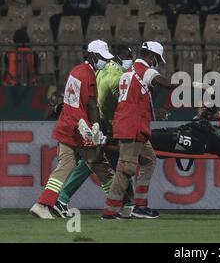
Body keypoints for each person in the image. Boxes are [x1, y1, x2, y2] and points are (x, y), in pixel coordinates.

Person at [30, 39, 115, 219]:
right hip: (78, 129)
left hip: (68, 126)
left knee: (66, 165)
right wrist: (92, 127)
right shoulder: (88, 75)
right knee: (100, 165)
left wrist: (93, 124)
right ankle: (118, 204)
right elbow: (89, 104)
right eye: (101, 57)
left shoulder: (77, 71)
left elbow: (79, 102)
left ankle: (42, 204)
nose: (105, 61)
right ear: (92, 55)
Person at [52, 46, 135, 217]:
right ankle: (62, 198)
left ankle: (128, 203)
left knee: (109, 162)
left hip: (98, 122)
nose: (130, 60)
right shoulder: (116, 76)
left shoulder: (103, 69)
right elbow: (107, 101)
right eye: (128, 56)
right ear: (119, 58)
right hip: (103, 125)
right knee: (93, 163)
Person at [102, 42, 179, 219]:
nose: (156, 63)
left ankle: (140, 206)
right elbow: (164, 83)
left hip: (131, 124)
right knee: (126, 168)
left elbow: (135, 99)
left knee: (149, 160)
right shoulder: (144, 69)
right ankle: (110, 211)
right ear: (152, 57)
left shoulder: (128, 72)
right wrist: (179, 83)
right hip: (132, 126)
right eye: (157, 60)